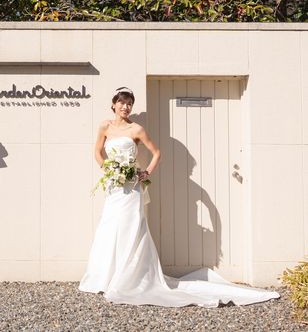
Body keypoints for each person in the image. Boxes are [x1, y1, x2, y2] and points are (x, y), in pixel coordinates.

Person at [79, 86, 279, 307]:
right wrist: (108, 169)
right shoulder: (105, 126)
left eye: (129, 104)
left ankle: (129, 279)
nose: (125, 107)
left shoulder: (137, 129)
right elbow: (97, 152)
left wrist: (146, 173)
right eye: (122, 103)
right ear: (114, 104)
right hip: (114, 186)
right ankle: (105, 277)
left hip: (132, 187)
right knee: (110, 225)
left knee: (130, 226)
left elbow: (157, 153)